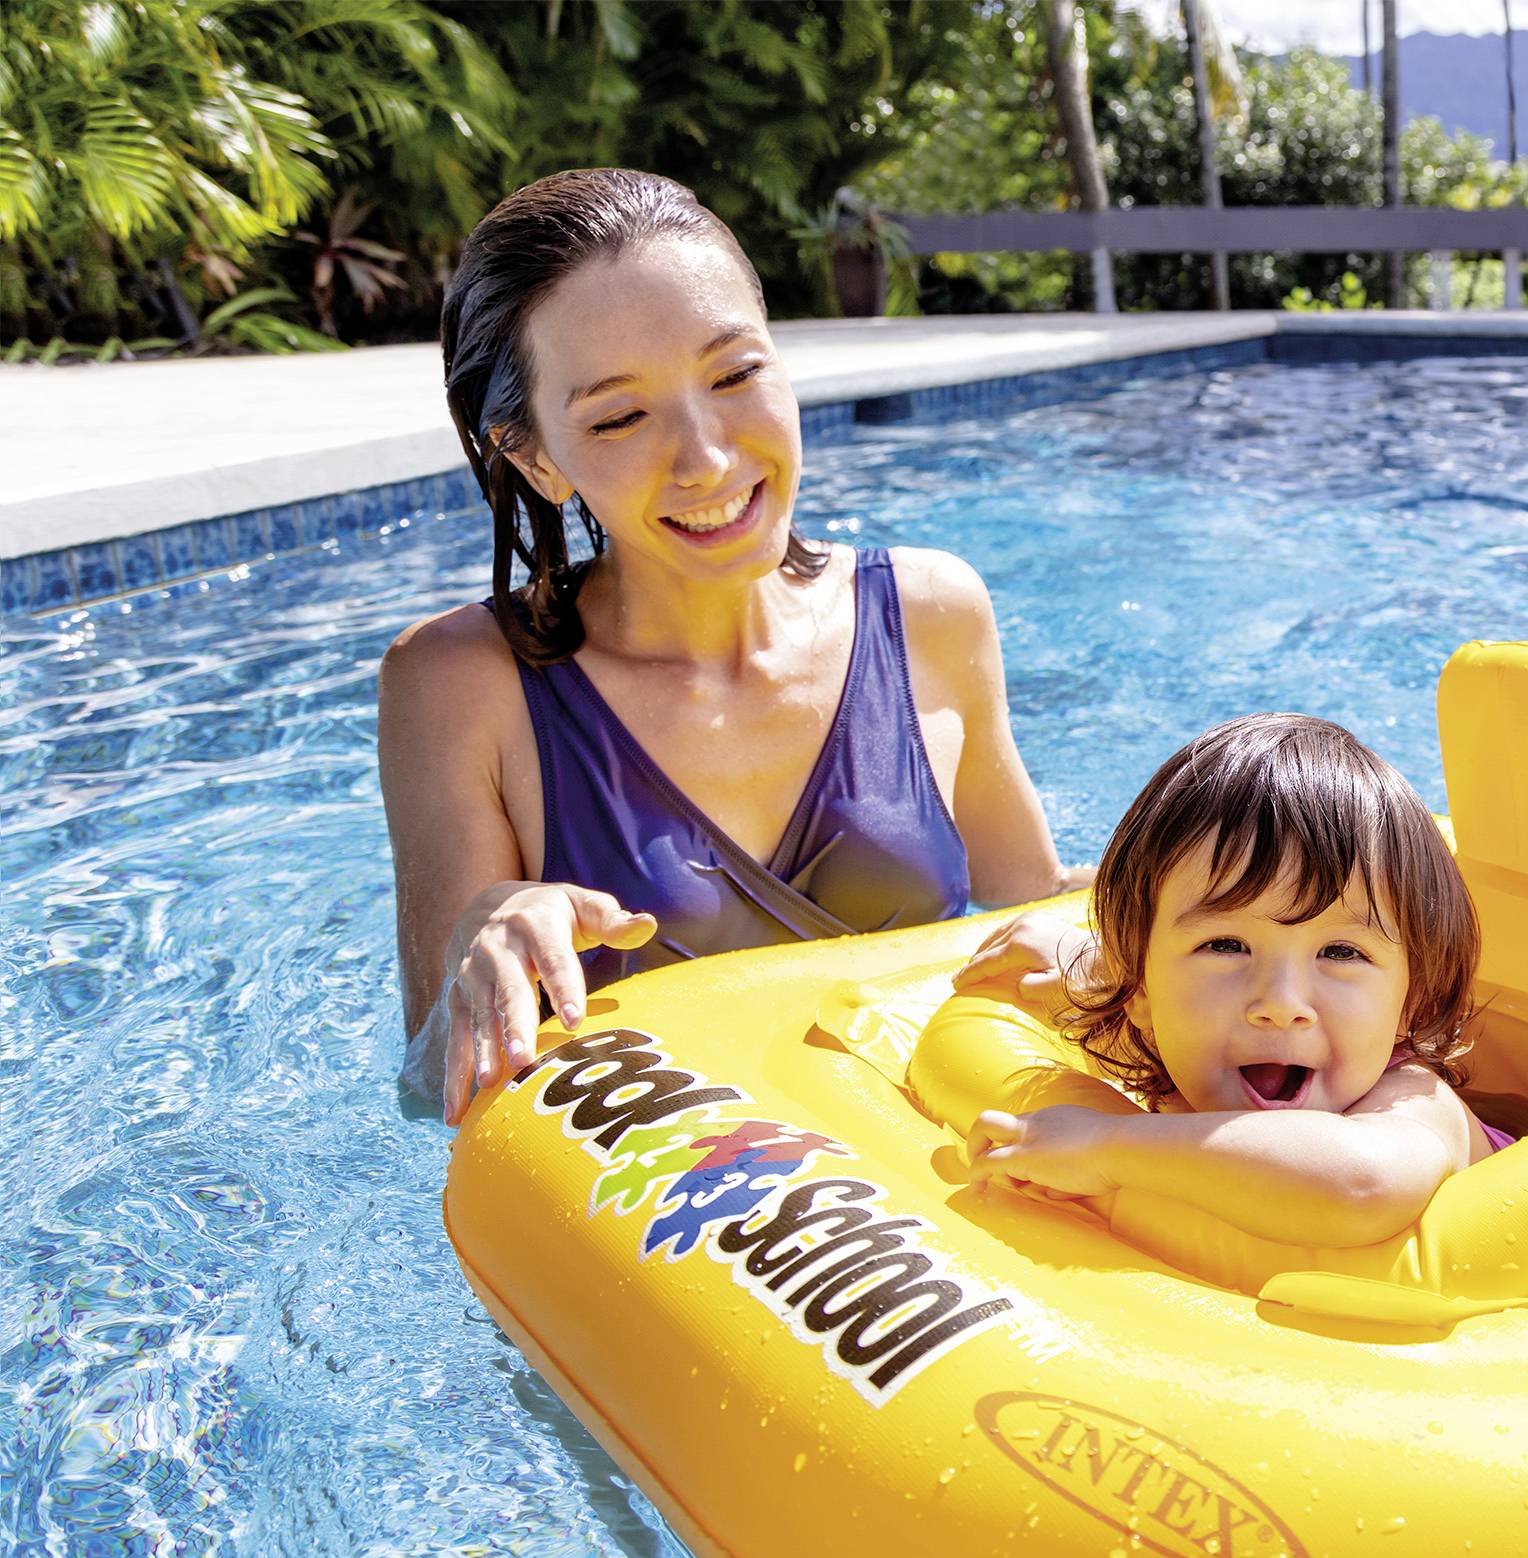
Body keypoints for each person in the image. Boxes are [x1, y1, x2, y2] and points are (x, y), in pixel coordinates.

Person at [380, 170, 1077, 1125]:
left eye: (737, 373)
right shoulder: (464, 685)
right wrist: (484, 937)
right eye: (620, 417)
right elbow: (430, 1091)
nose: (706, 457)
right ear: (537, 457)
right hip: (695, 1237)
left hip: (933, 1201)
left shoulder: (931, 614)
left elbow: (1033, 917)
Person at [958, 714, 1512, 1249]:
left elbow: (1359, 1185)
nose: (1280, 1003)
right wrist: (1085, 963)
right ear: (1140, 992)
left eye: (1341, 952)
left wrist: (1105, 1147)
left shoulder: (1410, 1105)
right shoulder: (1173, 1033)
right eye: (1225, 945)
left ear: (1412, 1004)